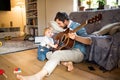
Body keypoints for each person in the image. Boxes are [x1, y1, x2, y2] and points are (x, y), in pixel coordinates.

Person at [16, 12, 92, 80]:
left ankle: (38, 76)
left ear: (65, 21)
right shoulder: (65, 30)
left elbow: (89, 41)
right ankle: (68, 62)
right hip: (68, 50)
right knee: (48, 54)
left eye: (59, 23)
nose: (59, 26)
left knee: (56, 54)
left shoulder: (77, 26)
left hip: (78, 52)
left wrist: (76, 37)